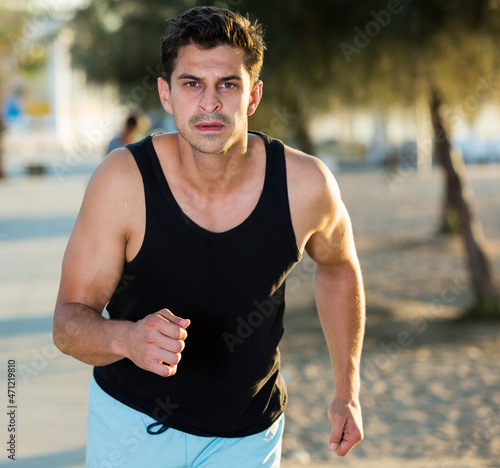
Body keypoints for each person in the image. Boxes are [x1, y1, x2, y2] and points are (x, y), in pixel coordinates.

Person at [53, 6, 365, 467]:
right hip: (133, 425)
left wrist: (347, 392)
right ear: (166, 93)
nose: (210, 103)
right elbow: (67, 324)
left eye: (228, 84)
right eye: (192, 83)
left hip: (248, 435)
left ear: (253, 96)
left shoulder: (304, 185)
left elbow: (339, 267)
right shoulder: (124, 182)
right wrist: (127, 340)